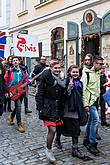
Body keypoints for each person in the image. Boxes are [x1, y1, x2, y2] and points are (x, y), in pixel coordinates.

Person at [36, 59, 66, 163]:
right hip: (47, 107)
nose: (57, 70)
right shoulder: (45, 77)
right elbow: (39, 94)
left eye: (59, 68)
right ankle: (48, 150)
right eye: (55, 68)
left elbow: (63, 93)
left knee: (57, 129)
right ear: (51, 68)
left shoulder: (62, 78)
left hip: (58, 107)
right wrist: (40, 109)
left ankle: (55, 142)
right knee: (52, 130)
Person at [63, 65, 86, 159]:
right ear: (69, 72)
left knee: (76, 129)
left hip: (77, 109)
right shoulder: (66, 81)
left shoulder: (80, 83)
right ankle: (57, 140)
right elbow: (65, 95)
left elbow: (82, 95)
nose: (75, 73)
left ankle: (75, 149)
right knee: (62, 127)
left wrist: (85, 106)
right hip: (68, 109)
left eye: (77, 72)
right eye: (73, 72)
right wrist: (70, 87)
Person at [81, 57, 101, 156]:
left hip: (95, 100)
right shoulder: (86, 74)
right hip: (90, 102)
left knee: (91, 121)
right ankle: (92, 143)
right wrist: (85, 104)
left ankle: (86, 140)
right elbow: (83, 90)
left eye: (102, 64)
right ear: (94, 63)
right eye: (100, 64)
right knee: (96, 120)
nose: (101, 66)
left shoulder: (97, 73)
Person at [4, 56, 30, 133]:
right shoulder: (9, 71)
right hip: (13, 91)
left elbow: (26, 79)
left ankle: (11, 116)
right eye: (14, 60)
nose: (15, 61)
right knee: (18, 106)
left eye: (16, 60)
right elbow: (5, 82)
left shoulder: (23, 70)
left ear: (19, 61)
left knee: (17, 107)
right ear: (12, 62)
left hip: (22, 91)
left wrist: (28, 81)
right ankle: (19, 123)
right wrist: (6, 91)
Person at [96, 56, 110, 127]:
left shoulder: (104, 75)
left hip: (103, 93)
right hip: (97, 93)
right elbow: (97, 84)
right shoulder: (97, 75)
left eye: (104, 69)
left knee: (103, 107)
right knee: (95, 110)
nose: (103, 70)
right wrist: (103, 85)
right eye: (102, 69)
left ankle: (103, 121)